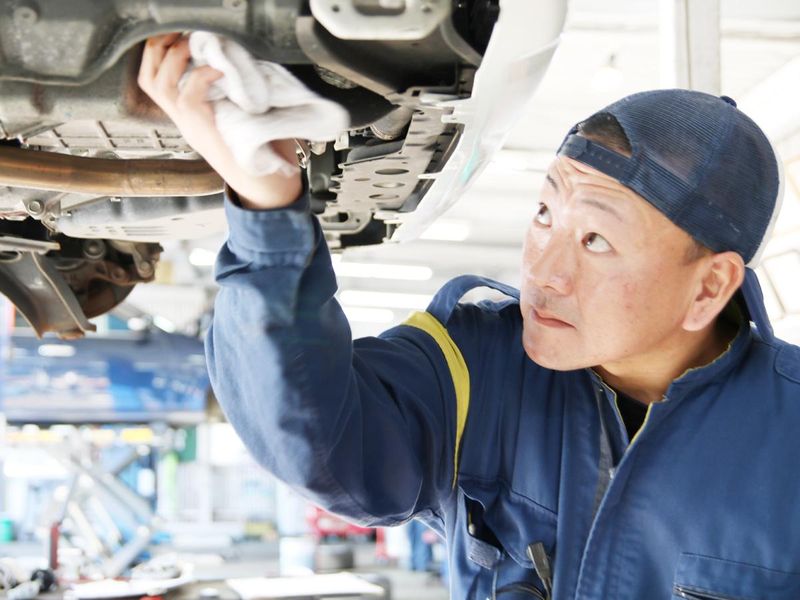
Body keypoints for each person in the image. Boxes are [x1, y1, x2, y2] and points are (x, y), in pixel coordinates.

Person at [139, 34, 800, 600]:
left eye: (596, 240)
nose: (544, 269)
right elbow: (321, 443)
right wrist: (266, 206)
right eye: (545, 214)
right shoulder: (476, 364)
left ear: (710, 286)